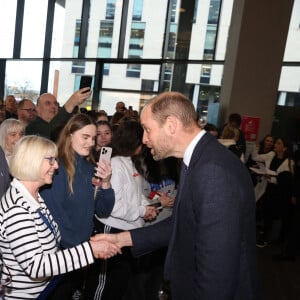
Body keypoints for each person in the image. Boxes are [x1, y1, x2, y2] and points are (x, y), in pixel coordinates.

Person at [92, 91, 260, 300]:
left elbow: (218, 269)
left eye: (147, 129)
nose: (144, 139)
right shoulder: (201, 159)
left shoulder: (213, 171)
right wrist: (122, 239)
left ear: (171, 125)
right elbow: (182, 223)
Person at [0, 135, 120, 300]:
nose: (56, 166)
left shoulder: (33, 195)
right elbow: (37, 266)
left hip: (43, 290)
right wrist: (89, 251)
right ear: (31, 161)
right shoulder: (17, 209)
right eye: (50, 160)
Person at [40, 113, 115, 299]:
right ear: (70, 135)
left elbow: (103, 210)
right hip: (60, 255)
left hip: (79, 253)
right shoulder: (56, 168)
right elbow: (55, 216)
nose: (91, 143)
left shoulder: (90, 166)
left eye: (93, 137)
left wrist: (106, 183)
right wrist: (80, 252)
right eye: (85, 137)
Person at [88, 121, 158, 300]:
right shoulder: (116, 164)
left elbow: (137, 192)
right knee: (102, 285)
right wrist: (143, 211)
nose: (146, 141)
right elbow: (113, 206)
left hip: (128, 229)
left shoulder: (132, 162)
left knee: (119, 283)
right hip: (111, 228)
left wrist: (147, 207)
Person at [252, 137, 294, 247]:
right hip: (268, 188)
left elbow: (284, 181)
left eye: (278, 143)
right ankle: (264, 234)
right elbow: (255, 157)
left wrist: (270, 177)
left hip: (278, 192)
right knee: (266, 212)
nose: (275, 144)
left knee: (271, 214)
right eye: (276, 142)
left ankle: (265, 237)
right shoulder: (271, 155)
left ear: (284, 148)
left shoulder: (289, 162)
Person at [25, 88, 91, 139]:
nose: (53, 106)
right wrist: (71, 103)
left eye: (55, 104)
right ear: (37, 109)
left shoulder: (64, 124)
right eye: (48, 103)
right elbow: (51, 132)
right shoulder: (32, 127)